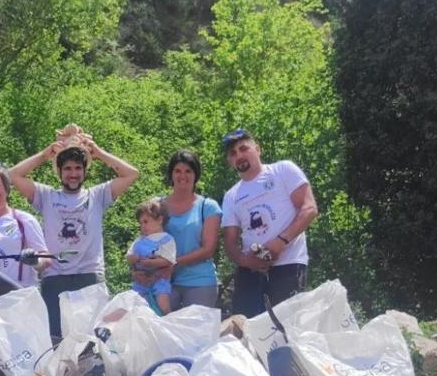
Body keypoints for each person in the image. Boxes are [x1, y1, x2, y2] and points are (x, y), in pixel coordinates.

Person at [10, 135, 139, 338]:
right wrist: (45, 154)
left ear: (85, 171)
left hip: (89, 275)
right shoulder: (47, 196)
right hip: (55, 277)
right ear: (59, 172)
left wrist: (97, 152)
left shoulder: (97, 195)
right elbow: (14, 175)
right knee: (56, 339)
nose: (73, 174)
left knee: (92, 341)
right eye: (68, 169)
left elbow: (131, 174)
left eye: (78, 168)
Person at [220, 129, 319, 318]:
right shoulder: (231, 196)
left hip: (288, 264)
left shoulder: (283, 170)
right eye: (233, 153)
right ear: (230, 161)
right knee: (246, 328)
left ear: (258, 149)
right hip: (250, 270)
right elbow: (230, 242)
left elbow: (309, 208)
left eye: (243, 148)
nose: (239, 155)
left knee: (286, 329)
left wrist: (280, 242)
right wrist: (245, 261)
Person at [159, 149, 221, 310]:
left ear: (196, 175)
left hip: (200, 281)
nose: (182, 176)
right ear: (171, 174)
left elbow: (208, 249)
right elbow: (146, 241)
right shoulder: (157, 206)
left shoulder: (207, 207)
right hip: (163, 282)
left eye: (188, 171)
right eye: (177, 171)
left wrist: (172, 263)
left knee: (195, 334)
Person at [127, 198, 177, 315]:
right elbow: (129, 256)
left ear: (159, 220)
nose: (142, 226)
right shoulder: (139, 240)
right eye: (140, 223)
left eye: (146, 222)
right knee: (135, 304)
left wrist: (152, 263)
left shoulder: (167, 239)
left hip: (160, 279)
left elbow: (168, 260)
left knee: (162, 301)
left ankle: (168, 319)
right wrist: (134, 258)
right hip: (140, 281)